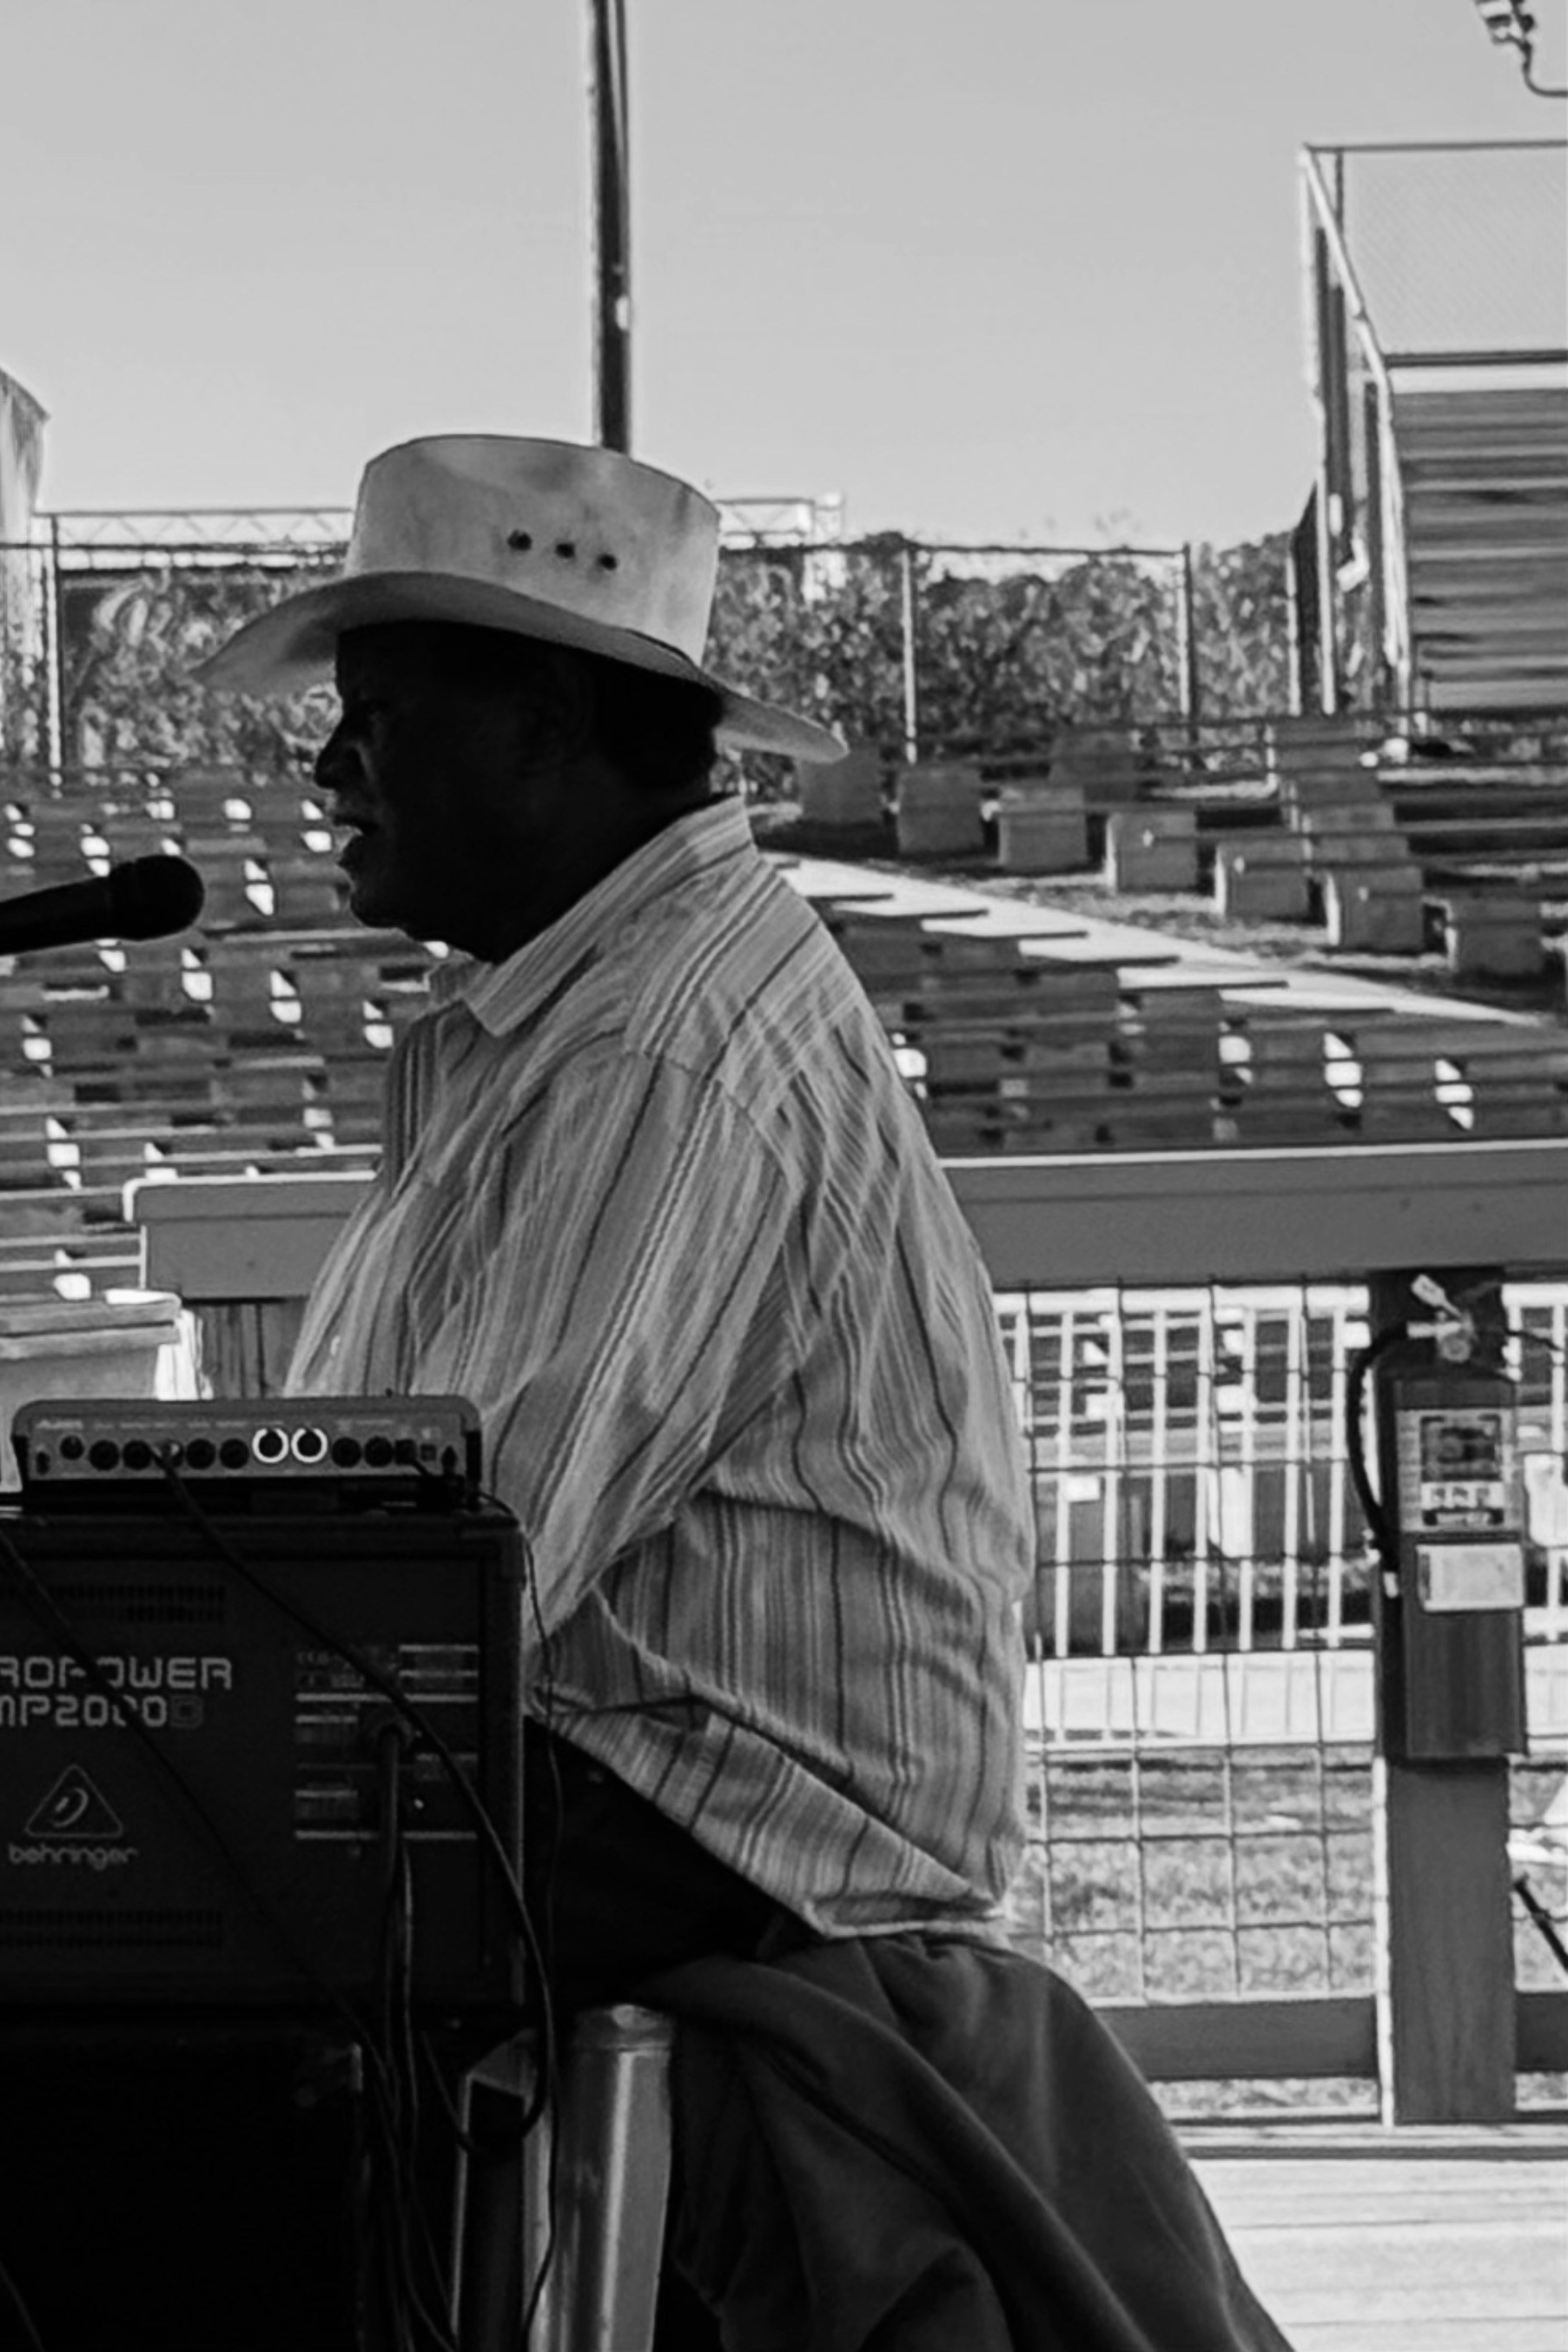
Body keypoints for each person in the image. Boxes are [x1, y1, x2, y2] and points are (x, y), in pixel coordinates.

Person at [195, 433, 1035, 2007]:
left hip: (739, 1848)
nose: (329, 768)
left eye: (375, 716)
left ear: (543, 724)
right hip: (650, 1798)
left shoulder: (659, 1044)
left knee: (97, 1905)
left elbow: (457, 1583)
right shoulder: (604, 1003)